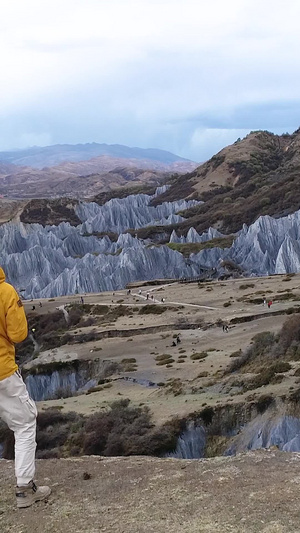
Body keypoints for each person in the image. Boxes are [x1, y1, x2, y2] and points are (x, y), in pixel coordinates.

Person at [0, 267, 51, 508]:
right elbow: (19, 334)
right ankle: (24, 489)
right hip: (2, 372)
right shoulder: (5, 291)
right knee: (24, 423)